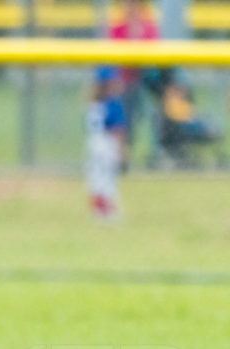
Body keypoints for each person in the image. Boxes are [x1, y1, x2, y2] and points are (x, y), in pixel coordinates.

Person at [108, 0, 158, 167]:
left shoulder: (148, 27)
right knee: (124, 116)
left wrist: (138, 32)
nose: (131, 8)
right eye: (128, 4)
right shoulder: (117, 28)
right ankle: (122, 157)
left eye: (135, 5)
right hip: (125, 82)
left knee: (154, 111)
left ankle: (157, 153)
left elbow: (155, 52)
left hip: (147, 82)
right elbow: (114, 58)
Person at [86, 66, 126, 221]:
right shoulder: (113, 103)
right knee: (108, 179)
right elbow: (117, 130)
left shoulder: (93, 103)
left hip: (93, 143)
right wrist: (121, 152)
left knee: (96, 178)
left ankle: (98, 209)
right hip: (107, 144)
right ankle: (106, 211)